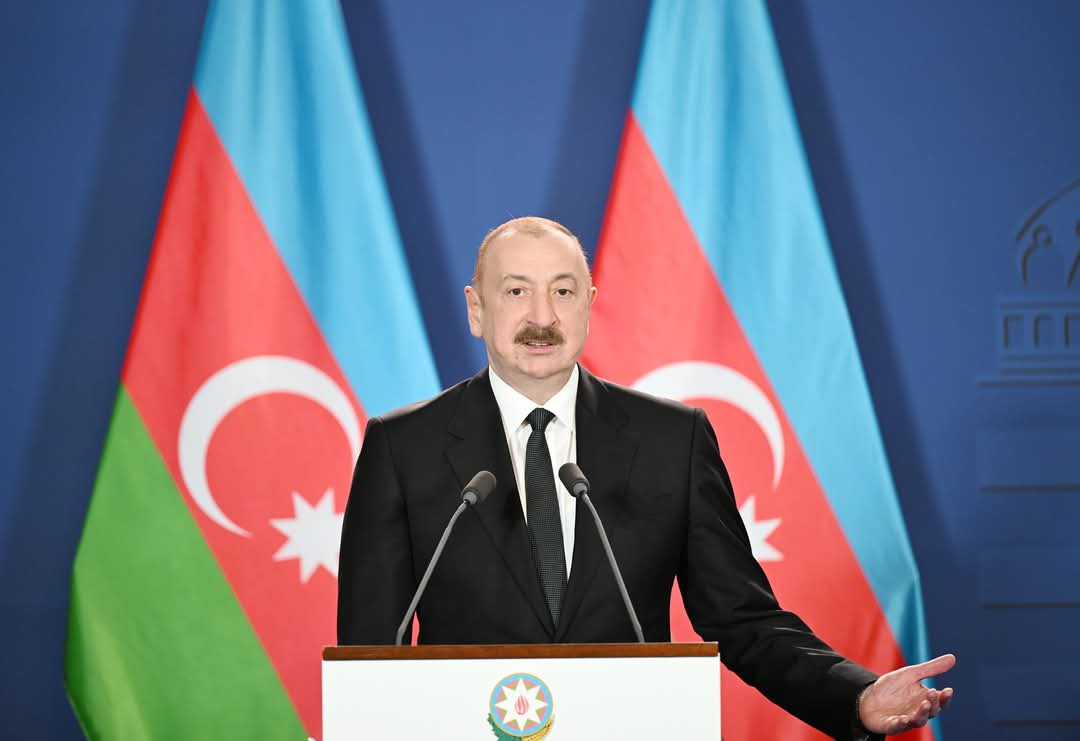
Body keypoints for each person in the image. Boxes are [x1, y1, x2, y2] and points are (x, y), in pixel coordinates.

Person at [337, 216, 954, 739]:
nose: (541, 317)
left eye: (563, 292)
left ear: (589, 303)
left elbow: (742, 619)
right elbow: (370, 650)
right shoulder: (402, 447)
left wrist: (854, 696)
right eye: (517, 291)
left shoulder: (672, 439)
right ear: (477, 309)